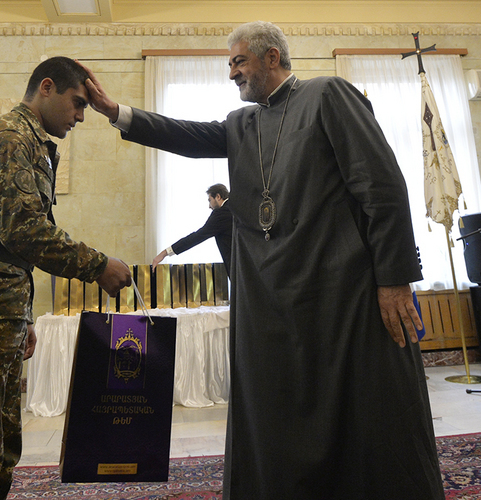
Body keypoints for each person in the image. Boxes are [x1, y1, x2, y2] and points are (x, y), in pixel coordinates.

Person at [81, 21, 445, 500]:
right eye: (230, 63)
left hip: (340, 290)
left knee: (361, 409)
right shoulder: (241, 124)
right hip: (269, 296)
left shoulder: (327, 94)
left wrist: (394, 279)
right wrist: (117, 113)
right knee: (275, 411)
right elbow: (186, 134)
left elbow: (383, 186)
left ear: (272, 57)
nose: (231, 72)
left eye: (238, 61)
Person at [0, 55, 132, 500]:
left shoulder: (31, 142)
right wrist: (98, 266)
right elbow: (22, 231)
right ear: (47, 87)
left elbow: (10, 249)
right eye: (78, 103)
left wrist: (22, 316)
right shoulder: (7, 137)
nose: (80, 116)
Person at [151, 183, 233, 272]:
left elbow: (197, 236)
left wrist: (165, 253)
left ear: (218, 197)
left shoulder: (221, 213)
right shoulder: (235, 208)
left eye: (210, 200)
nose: (209, 206)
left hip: (238, 268)